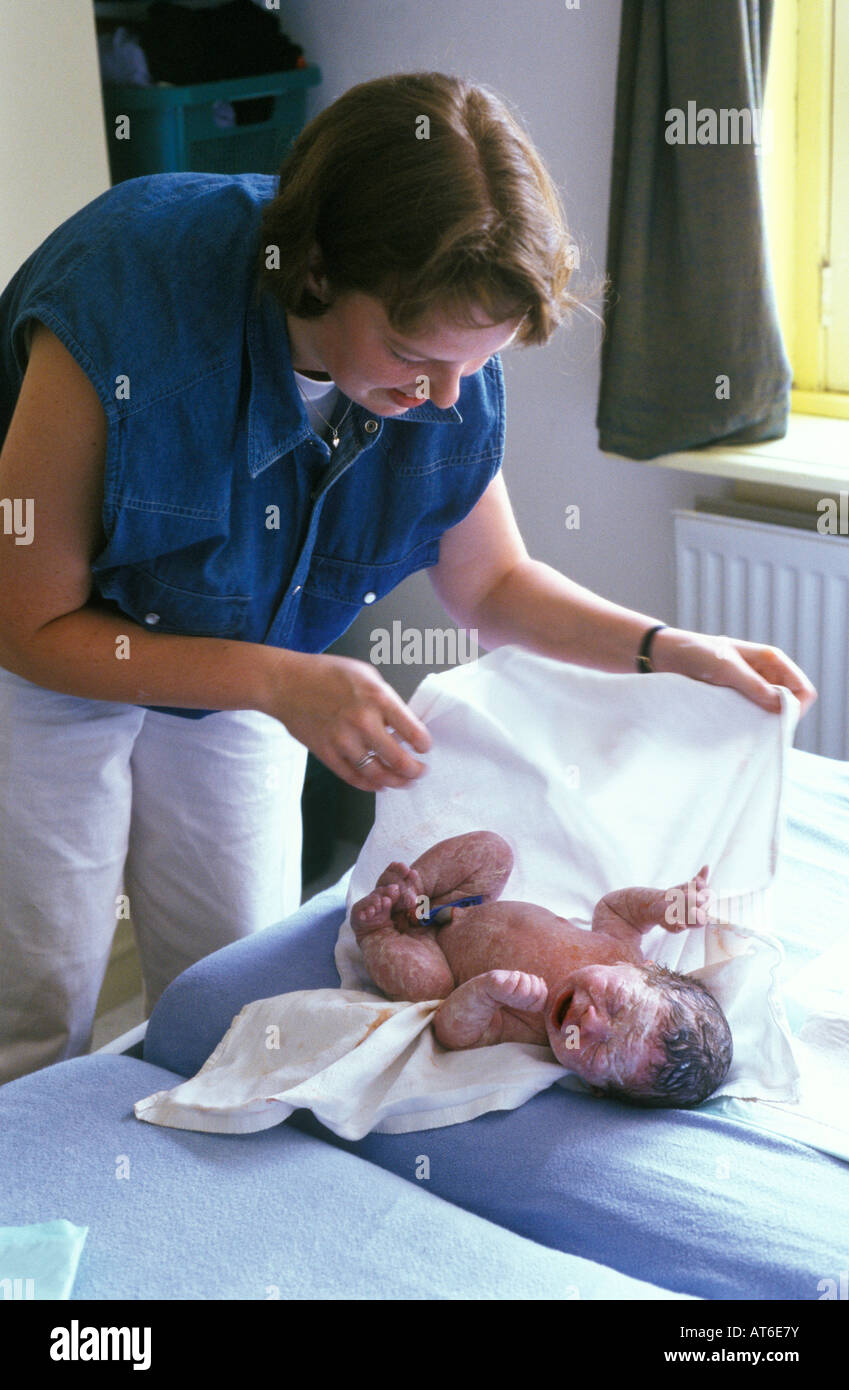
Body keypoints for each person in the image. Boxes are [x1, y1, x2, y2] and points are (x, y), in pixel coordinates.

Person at [0, 72, 815, 1087]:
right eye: (412, 357)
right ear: (315, 274)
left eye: (471, 366)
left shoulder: (450, 363)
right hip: (56, 656)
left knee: (231, 997)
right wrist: (281, 684)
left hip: (252, 664)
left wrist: (667, 649)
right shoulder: (124, 309)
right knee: (35, 996)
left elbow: (496, 585)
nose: (442, 398)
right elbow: (30, 623)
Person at [351, 831, 733, 1108]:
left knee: (425, 984)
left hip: (432, 952)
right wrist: (663, 906)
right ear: (642, 969)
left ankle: (379, 930)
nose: (590, 1023)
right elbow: (616, 908)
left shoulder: (535, 1032)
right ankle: (415, 888)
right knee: (492, 851)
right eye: (616, 1002)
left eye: (600, 1053)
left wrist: (485, 993)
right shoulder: (621, 947)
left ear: (596, 1087)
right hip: (458, 901)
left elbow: (454, 1033)